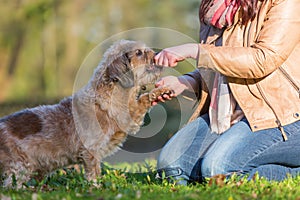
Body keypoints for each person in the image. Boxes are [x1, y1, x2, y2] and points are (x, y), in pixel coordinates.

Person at [153, 0, 300, 185]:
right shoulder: (215, 6)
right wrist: (187, 82)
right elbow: (222, 65)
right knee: (172, 168)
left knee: (217, 170)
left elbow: (264, 59)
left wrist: (197, 51)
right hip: (230, 113)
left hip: (283, 114)